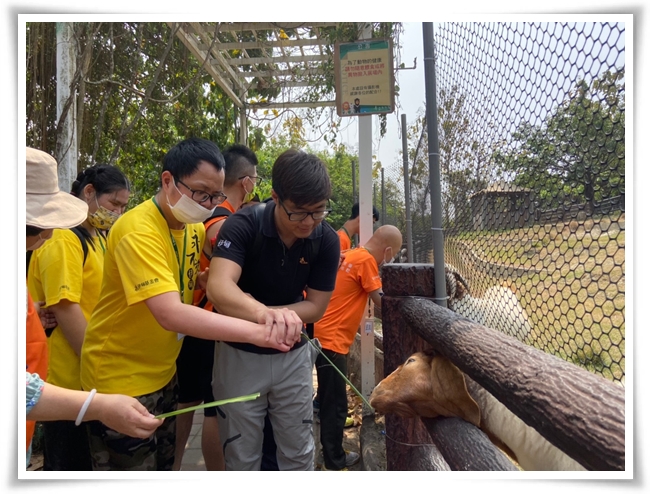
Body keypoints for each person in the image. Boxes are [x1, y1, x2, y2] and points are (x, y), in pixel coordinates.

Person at [78, 137, 296, 471]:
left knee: (165, 467)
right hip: (121, 378)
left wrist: (211, 284)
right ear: (168, 181)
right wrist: (257, 331)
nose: (209, 203)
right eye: (201, 193)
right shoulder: (137, 230)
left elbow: (184, 277)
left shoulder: (192, 227)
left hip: (163, 372)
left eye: (216, 195)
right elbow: (169, 312)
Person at [24, 147, 162, 469]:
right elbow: (66, 308)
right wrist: (98, 369)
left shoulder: (96, 236)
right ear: (89, 193)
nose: (44, 233)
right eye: (114, 204)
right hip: (67, 380)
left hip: (78, 384)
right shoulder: (63, 240)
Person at [206, 148, 341, 471]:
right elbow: (220, 287)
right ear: (275, 197)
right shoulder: (242, 226)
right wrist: (267, 314)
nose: (309, 222)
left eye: (318, 211)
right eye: (298, 212)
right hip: (239, 354)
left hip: (292, 356)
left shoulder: (326, 239)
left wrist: (277, 315)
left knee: (298, 451)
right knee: (241, 455)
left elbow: (316, 306)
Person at [173, 143, 260, 471]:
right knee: (212, 408)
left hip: (198, 322)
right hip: (207, 324)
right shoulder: (222, 220)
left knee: (190, 404)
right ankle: (214, 476)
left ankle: (176, 467)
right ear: (247, 181)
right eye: (256, 177)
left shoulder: (209, 216)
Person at [313, 225, 403, 471]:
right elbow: (382, 302)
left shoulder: (353, 254)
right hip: (331, 340)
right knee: (336, 403)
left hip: (321, 335)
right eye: (393, 253)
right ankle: (333, 458)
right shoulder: (365, 261)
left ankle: (328, 451)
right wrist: (405, 312)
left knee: (330, 398)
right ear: (386, 251)